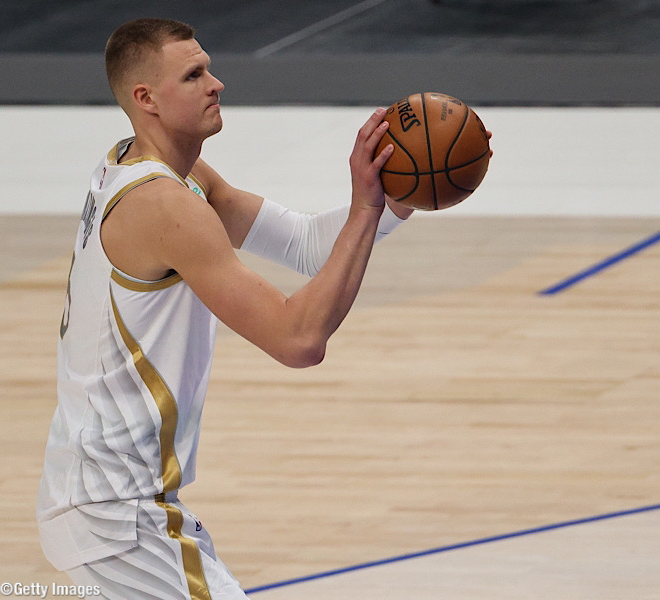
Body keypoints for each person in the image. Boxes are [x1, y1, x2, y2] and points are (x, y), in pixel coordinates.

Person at [36, 17, 415, 599]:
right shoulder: (162, 205)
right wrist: (365, 211)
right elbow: (297, 339)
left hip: (99, 500)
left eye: (208, 69)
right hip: (119, 515)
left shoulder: (152, 167)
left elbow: (306, 244)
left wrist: (396, 197)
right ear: (146, 99)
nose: (216, 84)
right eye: (194, 76)